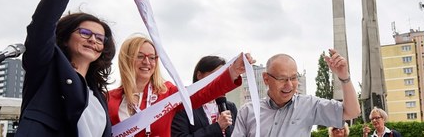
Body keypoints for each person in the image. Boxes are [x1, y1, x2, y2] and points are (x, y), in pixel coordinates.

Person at [16, 0, 116, 136]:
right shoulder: (46, 69)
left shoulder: (98, 95)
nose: (93, 40)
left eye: (100, 38)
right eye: (85, 33)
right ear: (64, 38)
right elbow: (42, 23)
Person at [108, 36, 254, 137]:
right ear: (126, 59)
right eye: (140, 56)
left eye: (152, 57)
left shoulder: (167, 93)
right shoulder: (108, 99)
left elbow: (205, 93)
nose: (147, 62)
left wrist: (233, 71)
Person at [233, 49, 361, 136]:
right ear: (266, 78)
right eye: (282, 79)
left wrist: (344, 76)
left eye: (294, 78)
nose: (289, 85)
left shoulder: (309, 105)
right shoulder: (247, 112)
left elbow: (352, 112)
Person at [172, 56, 238, 137]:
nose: (219, 79)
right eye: (215, 74)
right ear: (199, 75)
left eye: (222, 75)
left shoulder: (229, 107)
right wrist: (217, 127)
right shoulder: (184, 106)